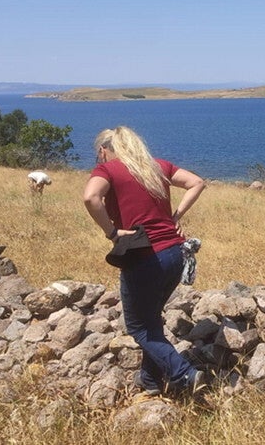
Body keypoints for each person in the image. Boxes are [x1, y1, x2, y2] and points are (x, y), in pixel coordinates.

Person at [83, 126, 207, 398]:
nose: (99, 159)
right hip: (175, 254)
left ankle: (185, 374)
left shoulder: (108, 170)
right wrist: (175, 217)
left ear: (105, 149)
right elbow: (197, 182)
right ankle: (150, 380)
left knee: (138, 328)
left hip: (143, 257)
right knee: (151, 320)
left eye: (98, 154)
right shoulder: (158, 167)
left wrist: (112, 233)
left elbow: (91, 197)